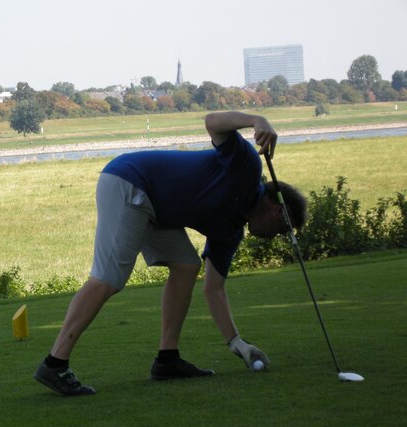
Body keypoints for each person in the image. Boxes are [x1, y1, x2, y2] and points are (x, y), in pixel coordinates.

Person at [34, 111, 308, 396]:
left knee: (187, 265)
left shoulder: (231, 230)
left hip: (156, 208)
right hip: (130, 181)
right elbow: (213, 122)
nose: (273, 236)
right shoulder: (247, 167)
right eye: (280, 229)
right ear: (279, 210)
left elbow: (213, 289)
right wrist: (257, 120)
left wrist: (236, 342)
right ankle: (55, 363)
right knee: (108, 279)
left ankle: (167, 360)